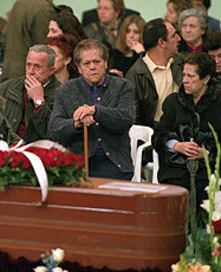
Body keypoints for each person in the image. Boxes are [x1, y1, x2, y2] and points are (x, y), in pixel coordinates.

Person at [49, 39, 135, 180]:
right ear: (79, 67)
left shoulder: (123, 87)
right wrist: (76, 123)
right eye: (87, 63)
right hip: (77, 164)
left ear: (106, 63)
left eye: (97, 62)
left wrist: (95, 111)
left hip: (115, 163)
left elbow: (126, 119)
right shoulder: (65, 90)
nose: (92, 67)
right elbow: (54, 129)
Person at [152, 52, 221, 213]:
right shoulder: (173, 102)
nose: (184, 81)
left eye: (191, 76)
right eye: (184, 75)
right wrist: (176, 145)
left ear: (206, 79)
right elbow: (158, 136)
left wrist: (207, 152)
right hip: (176, 171)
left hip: (210, 172)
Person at [126, 18, 182, 128]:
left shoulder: (182, 64)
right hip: (153, 136)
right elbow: (135, 121)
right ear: (162, 42)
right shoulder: (135, 75)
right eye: (174, 35)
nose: (179, 38)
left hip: (183, 133)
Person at [0, 45, 59, 143]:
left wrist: (39, 101)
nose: (30, 71)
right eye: (28, 65)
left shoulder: (62, 94)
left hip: (40, 152)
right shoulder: (7, 88)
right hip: (6, 148)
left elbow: (51, 133)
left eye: (37, 66)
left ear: (51, 71)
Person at [2, 0, 57, 79]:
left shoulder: (19, 3)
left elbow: (4, 37)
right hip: (30, 72)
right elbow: (45, 46)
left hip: (11, 68)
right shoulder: (42, 8)